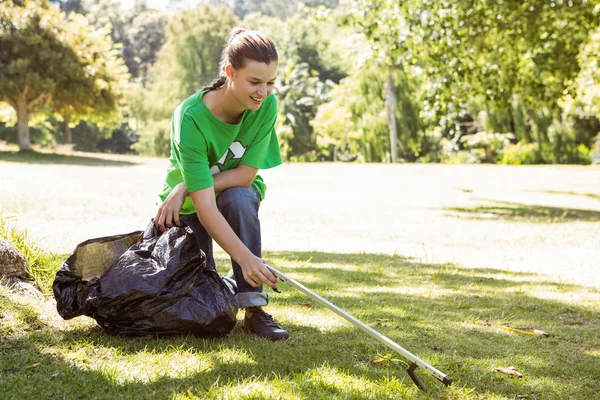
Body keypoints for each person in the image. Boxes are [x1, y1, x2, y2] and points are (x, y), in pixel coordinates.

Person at [153, 27, 288, 341]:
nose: (263, 91)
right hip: (185, 210)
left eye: (270, 83)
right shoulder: (191, 117)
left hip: (226, 193)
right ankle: (228, 285)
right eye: (254, 82)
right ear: (230, 72)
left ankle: (254, 309)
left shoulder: (266, 105)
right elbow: (204, 208)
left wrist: (186, 185)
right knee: (206, 311)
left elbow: (244, 176)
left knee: (240, 198)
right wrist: (246, 259)